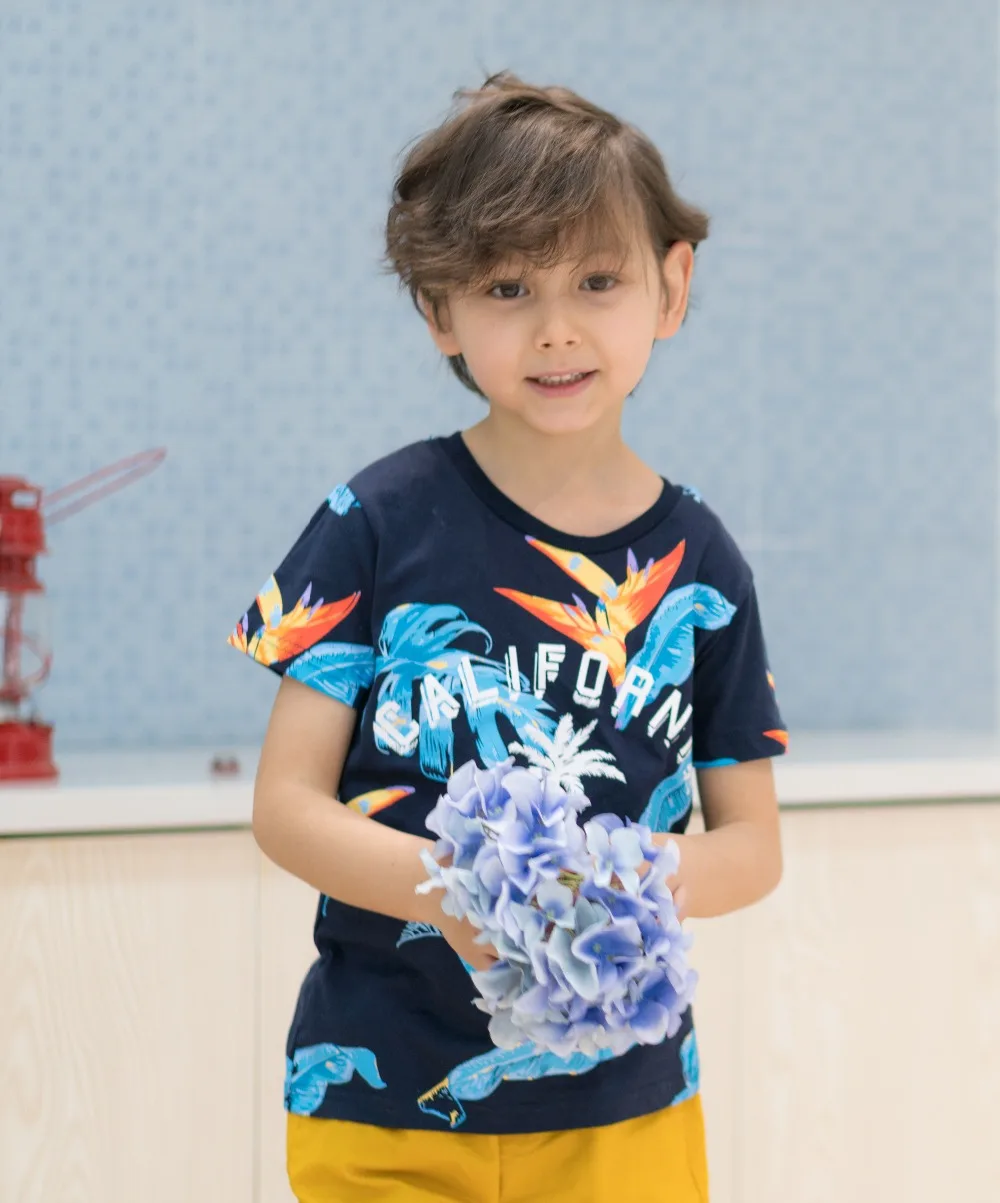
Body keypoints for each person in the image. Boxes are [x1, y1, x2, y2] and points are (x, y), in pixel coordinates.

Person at [230, 71, 787, 1203]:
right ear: (439, 310)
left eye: (597, 280)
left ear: (673, 287)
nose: (556, 328)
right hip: (379, 1101)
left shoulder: (705, 565)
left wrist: (629, 879)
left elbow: (753, 847)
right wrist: (461, 892)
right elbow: (285, 806)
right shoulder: (372, 521)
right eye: (506, 287)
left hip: (626, 1110)